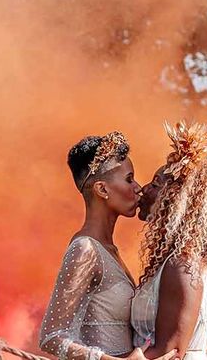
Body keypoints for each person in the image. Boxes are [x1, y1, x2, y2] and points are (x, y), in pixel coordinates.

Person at [39, 131, 177, 360]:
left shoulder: (108, 250)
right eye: (129, 179)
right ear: (102, 189)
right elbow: (51, 336)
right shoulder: (85, 249)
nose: (138, 188)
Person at [131, 121, 207, 360]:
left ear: (173, 198)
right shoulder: (180, 262)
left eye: (155, 184)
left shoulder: (182, 266)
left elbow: (169, 353)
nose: (143, 190)